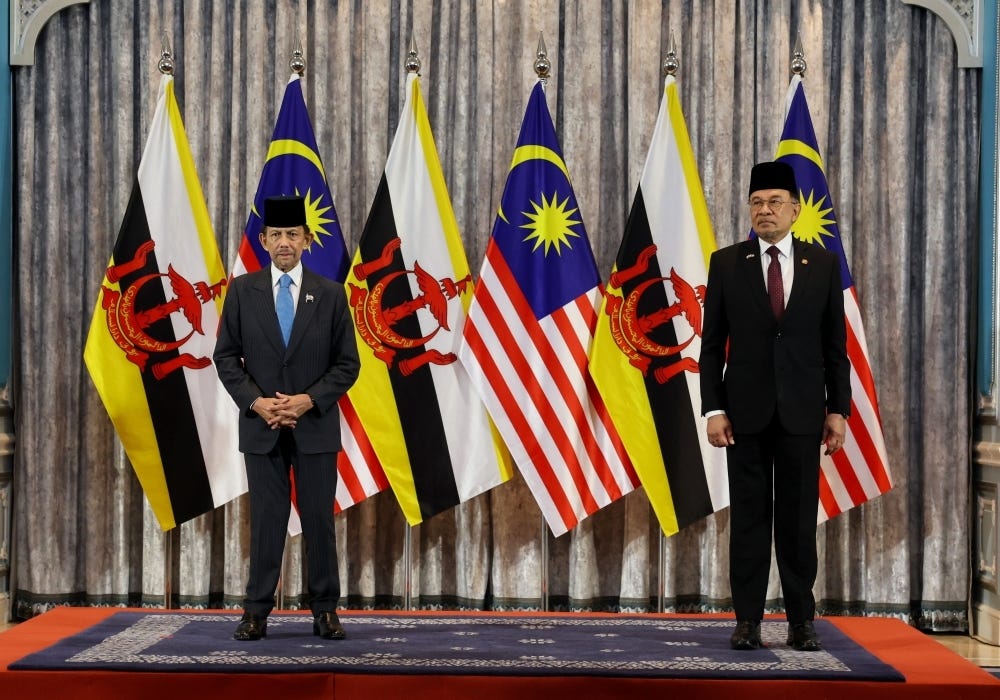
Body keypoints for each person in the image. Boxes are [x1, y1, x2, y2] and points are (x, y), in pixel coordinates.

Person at [698, 161, 850, 652]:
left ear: (795, 209)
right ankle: (747, 621)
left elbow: (834, 347)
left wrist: (838, 410)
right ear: (749, 208)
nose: (765, 211)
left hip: (804, 414)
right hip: (743, 416)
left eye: (775, 202)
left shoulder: (822, 265)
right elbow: (711, 345)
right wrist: (712, 409)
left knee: (797, 521)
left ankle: (802, 622)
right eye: (757, 202)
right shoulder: (726, 263)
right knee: (748, 521)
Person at [214, 195, 360, 641]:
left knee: (318, 520)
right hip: (261, 427)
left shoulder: (332, 295)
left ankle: (325, 611)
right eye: (275, 235)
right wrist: (257, 403)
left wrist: (307, 400)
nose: (283, 242)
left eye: (292, 234)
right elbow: (224, 358)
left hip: (314, 426)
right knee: (267, 521)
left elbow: (347, 366)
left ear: (307, 240)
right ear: (263, 240)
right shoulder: (241, 291)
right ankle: (256, 612)